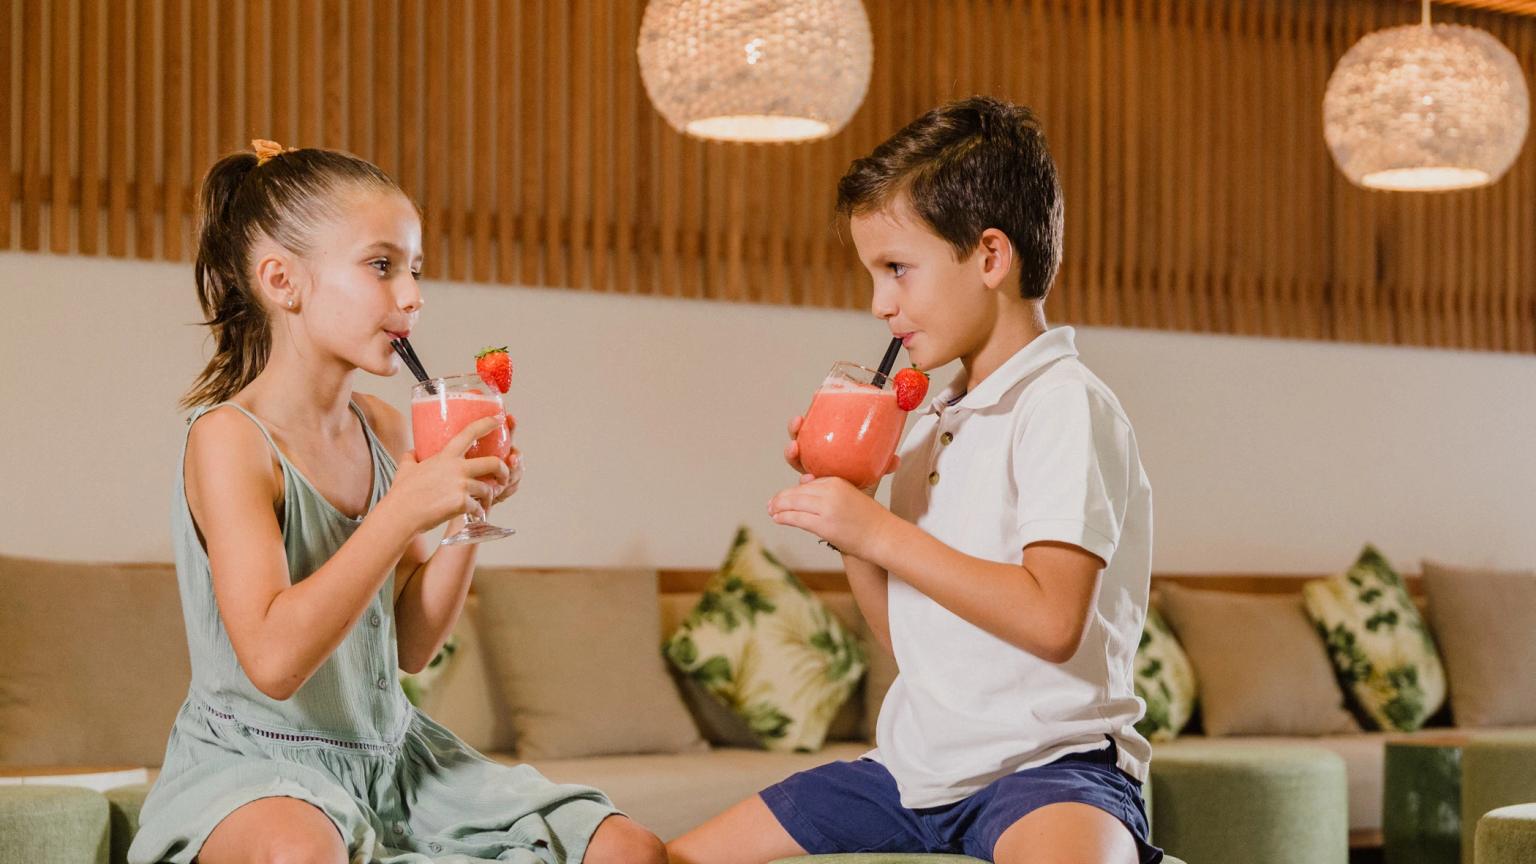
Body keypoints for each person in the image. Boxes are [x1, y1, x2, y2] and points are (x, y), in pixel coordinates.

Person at [129, 140, 666, 864]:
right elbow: (273, 660)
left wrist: (465, 514)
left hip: (396, 761)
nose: (413, 295)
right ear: (283, 282)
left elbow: (412, 646)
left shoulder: (385, 428)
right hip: (257, 767)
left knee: (625, 848)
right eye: (382, 266)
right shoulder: (231, 441)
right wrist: (402, 512)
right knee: (300, 850)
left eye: (415, 269)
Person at [668, 97, 1161, 864]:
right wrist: (853, 520)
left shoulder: (1062, 404)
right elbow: (915, 644)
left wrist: (877, 530)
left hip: (1050, 770)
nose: (878, 304)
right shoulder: (930, 423)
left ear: (991, 258)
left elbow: (1054, 619)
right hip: (912, 773)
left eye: (897, 269)